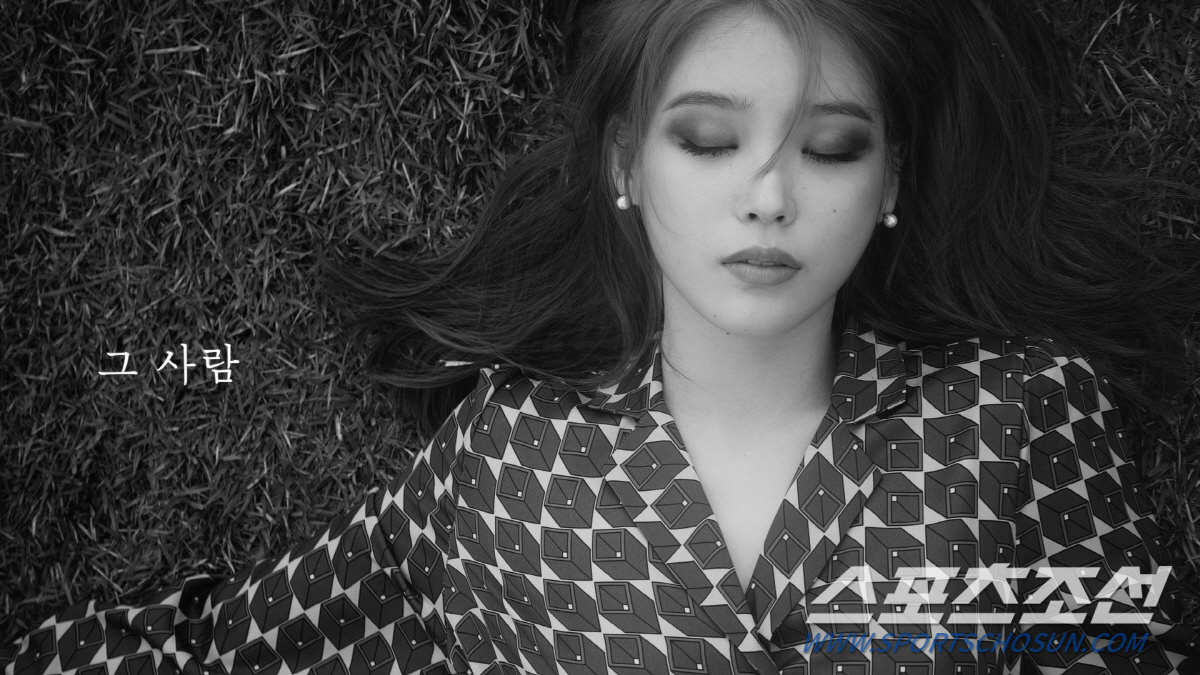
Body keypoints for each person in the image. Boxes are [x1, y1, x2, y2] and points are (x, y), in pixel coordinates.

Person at [5, 0, 1199, 674]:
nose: (770, 196)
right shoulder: (511, 459)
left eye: (832, 147)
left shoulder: (1020, 418)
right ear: (626, 164)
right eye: (708, 139)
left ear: (891, 181)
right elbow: (239, 648)